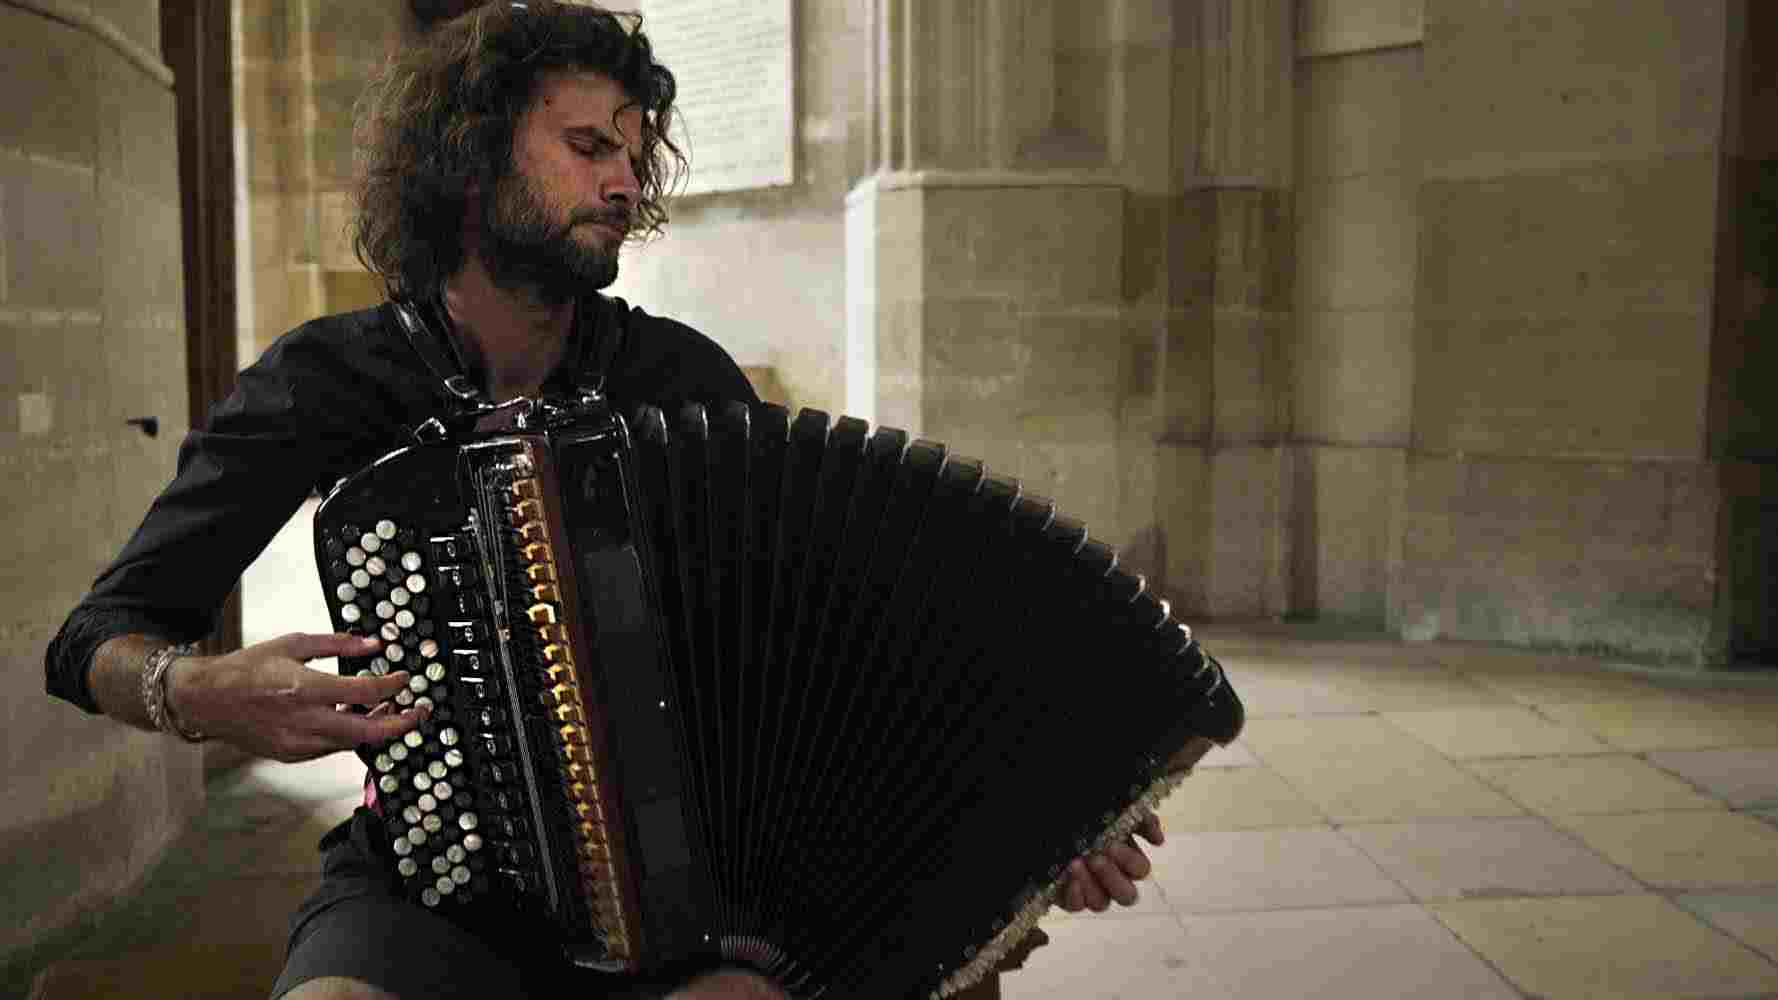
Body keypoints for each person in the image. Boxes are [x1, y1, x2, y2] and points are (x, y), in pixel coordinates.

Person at [43, 3, 1164, 998]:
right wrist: (192, 690)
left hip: (689, 899)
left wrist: (1027, 809)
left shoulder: (682, 381)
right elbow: (93, 638)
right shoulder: (328, 379)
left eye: (634, 153)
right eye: (588, 148)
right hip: (429, 890)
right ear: (471, 159)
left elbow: (840, 643)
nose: (626, 183)